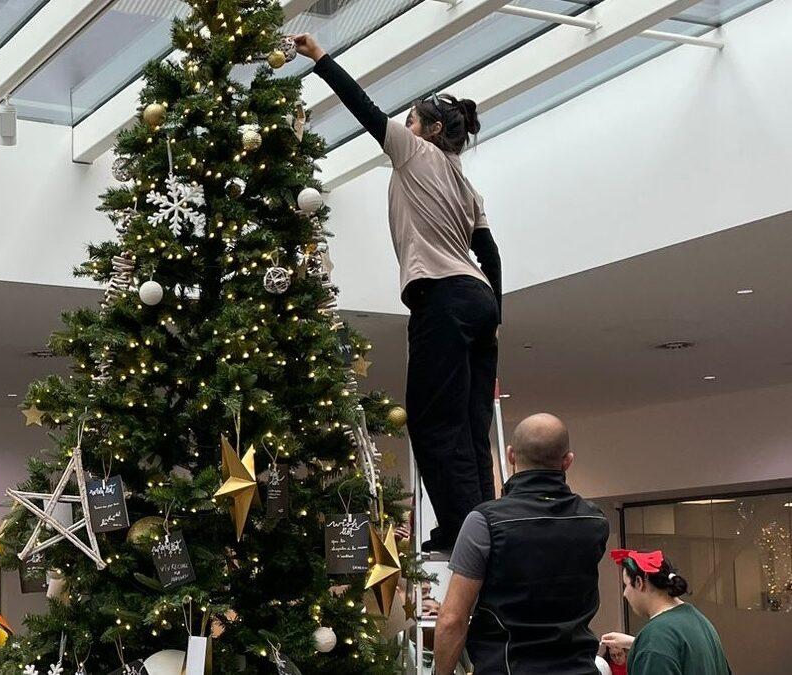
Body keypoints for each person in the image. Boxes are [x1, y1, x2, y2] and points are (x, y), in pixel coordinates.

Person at [293, 34, 503, 553]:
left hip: (442, 296)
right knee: (473, 423)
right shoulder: (466, 184)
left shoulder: (414, 153)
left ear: (429, 130)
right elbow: (491, 254)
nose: (403, 127)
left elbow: (361, 106)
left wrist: (320, 57)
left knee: (432, 419)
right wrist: (495, 313)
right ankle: (484, 524)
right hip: (477, 298)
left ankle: (460, 532)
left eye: (410, 120)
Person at [432, 414, 609, 674]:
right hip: (579, 668)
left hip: (508, 667)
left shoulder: (485, 521)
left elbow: (452, 619)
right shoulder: (595, 520)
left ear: (511, 455)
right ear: (567, 461)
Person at [602, 550, 731, 675]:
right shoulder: (699, 621)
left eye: (626, 586)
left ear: (639, 582)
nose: (625, 594)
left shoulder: (655, 639)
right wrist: (637, 644)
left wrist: (645, 646)